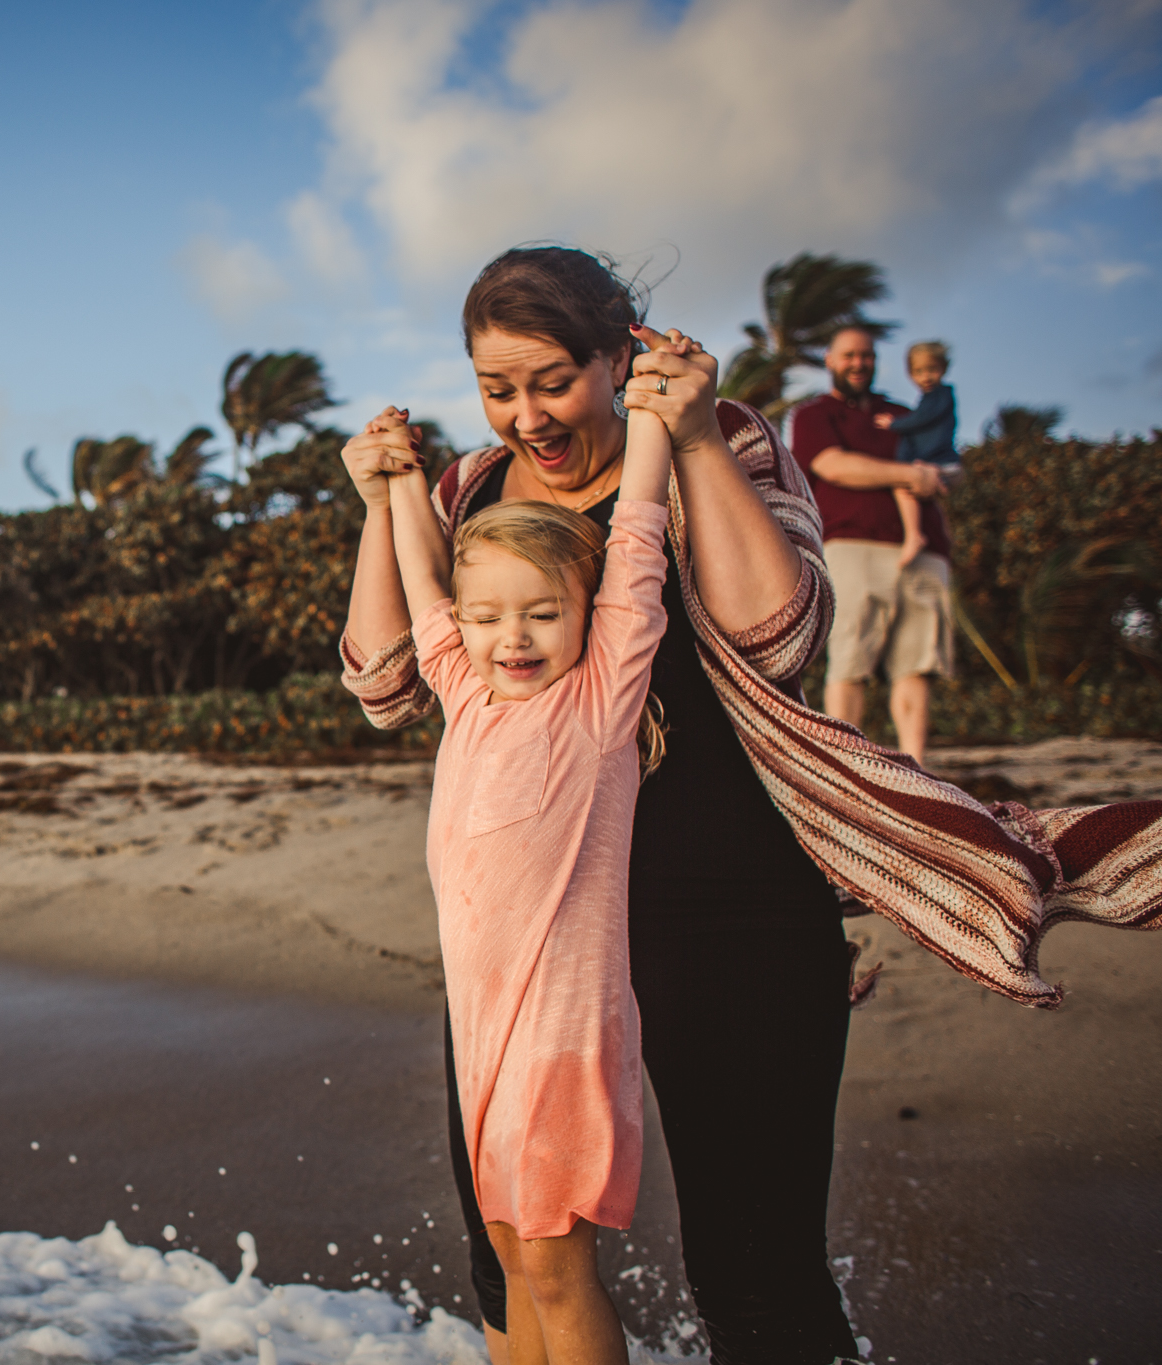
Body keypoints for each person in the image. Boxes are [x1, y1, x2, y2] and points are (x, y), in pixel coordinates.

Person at [340, 247, 862, 1364]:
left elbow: (778, 642)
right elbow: (387, 684)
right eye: (494, 388)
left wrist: (691, 440)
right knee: (514, 1253)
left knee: (753, 1273)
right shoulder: (466, 493)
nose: (524, 417)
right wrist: (380, 502)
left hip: (728, 906)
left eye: (549, 382)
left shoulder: (722, 445)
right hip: (528, 938)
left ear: (618, 356)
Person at [376, 385, 674, 1363]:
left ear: (585, 615)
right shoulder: (465, 695)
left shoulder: (595, 711)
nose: (511, 638)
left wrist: (658, 423)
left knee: (553, 1267)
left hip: (557, 1037)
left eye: (541, 615)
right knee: (507, 1257)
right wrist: (396, 485)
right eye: (489, 616)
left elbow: (633, 548)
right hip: (482, 1035)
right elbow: (424, 590)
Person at [788, 327, 953, 764]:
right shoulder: (813, 414)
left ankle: (917, 766)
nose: (859, 363)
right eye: (849, 355)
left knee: (918, 664)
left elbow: (946, 459)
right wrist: (910, 476)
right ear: (830, 359)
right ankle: (848, 767)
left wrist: (945, 475)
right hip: (852, 547)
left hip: (926, 551)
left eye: (867, 356)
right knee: (849, 659)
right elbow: (831, 465)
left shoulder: (902, 413)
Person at [874, 341, 959, 569]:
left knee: (903, 487)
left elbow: (921, 420)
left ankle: (914, 535)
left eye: (932, 370)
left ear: (943, 369)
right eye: (920, 371)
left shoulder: (940, 397)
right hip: (936, 462)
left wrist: (894, 424)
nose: (926, 376)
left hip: (942, 462)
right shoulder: (928, 400)